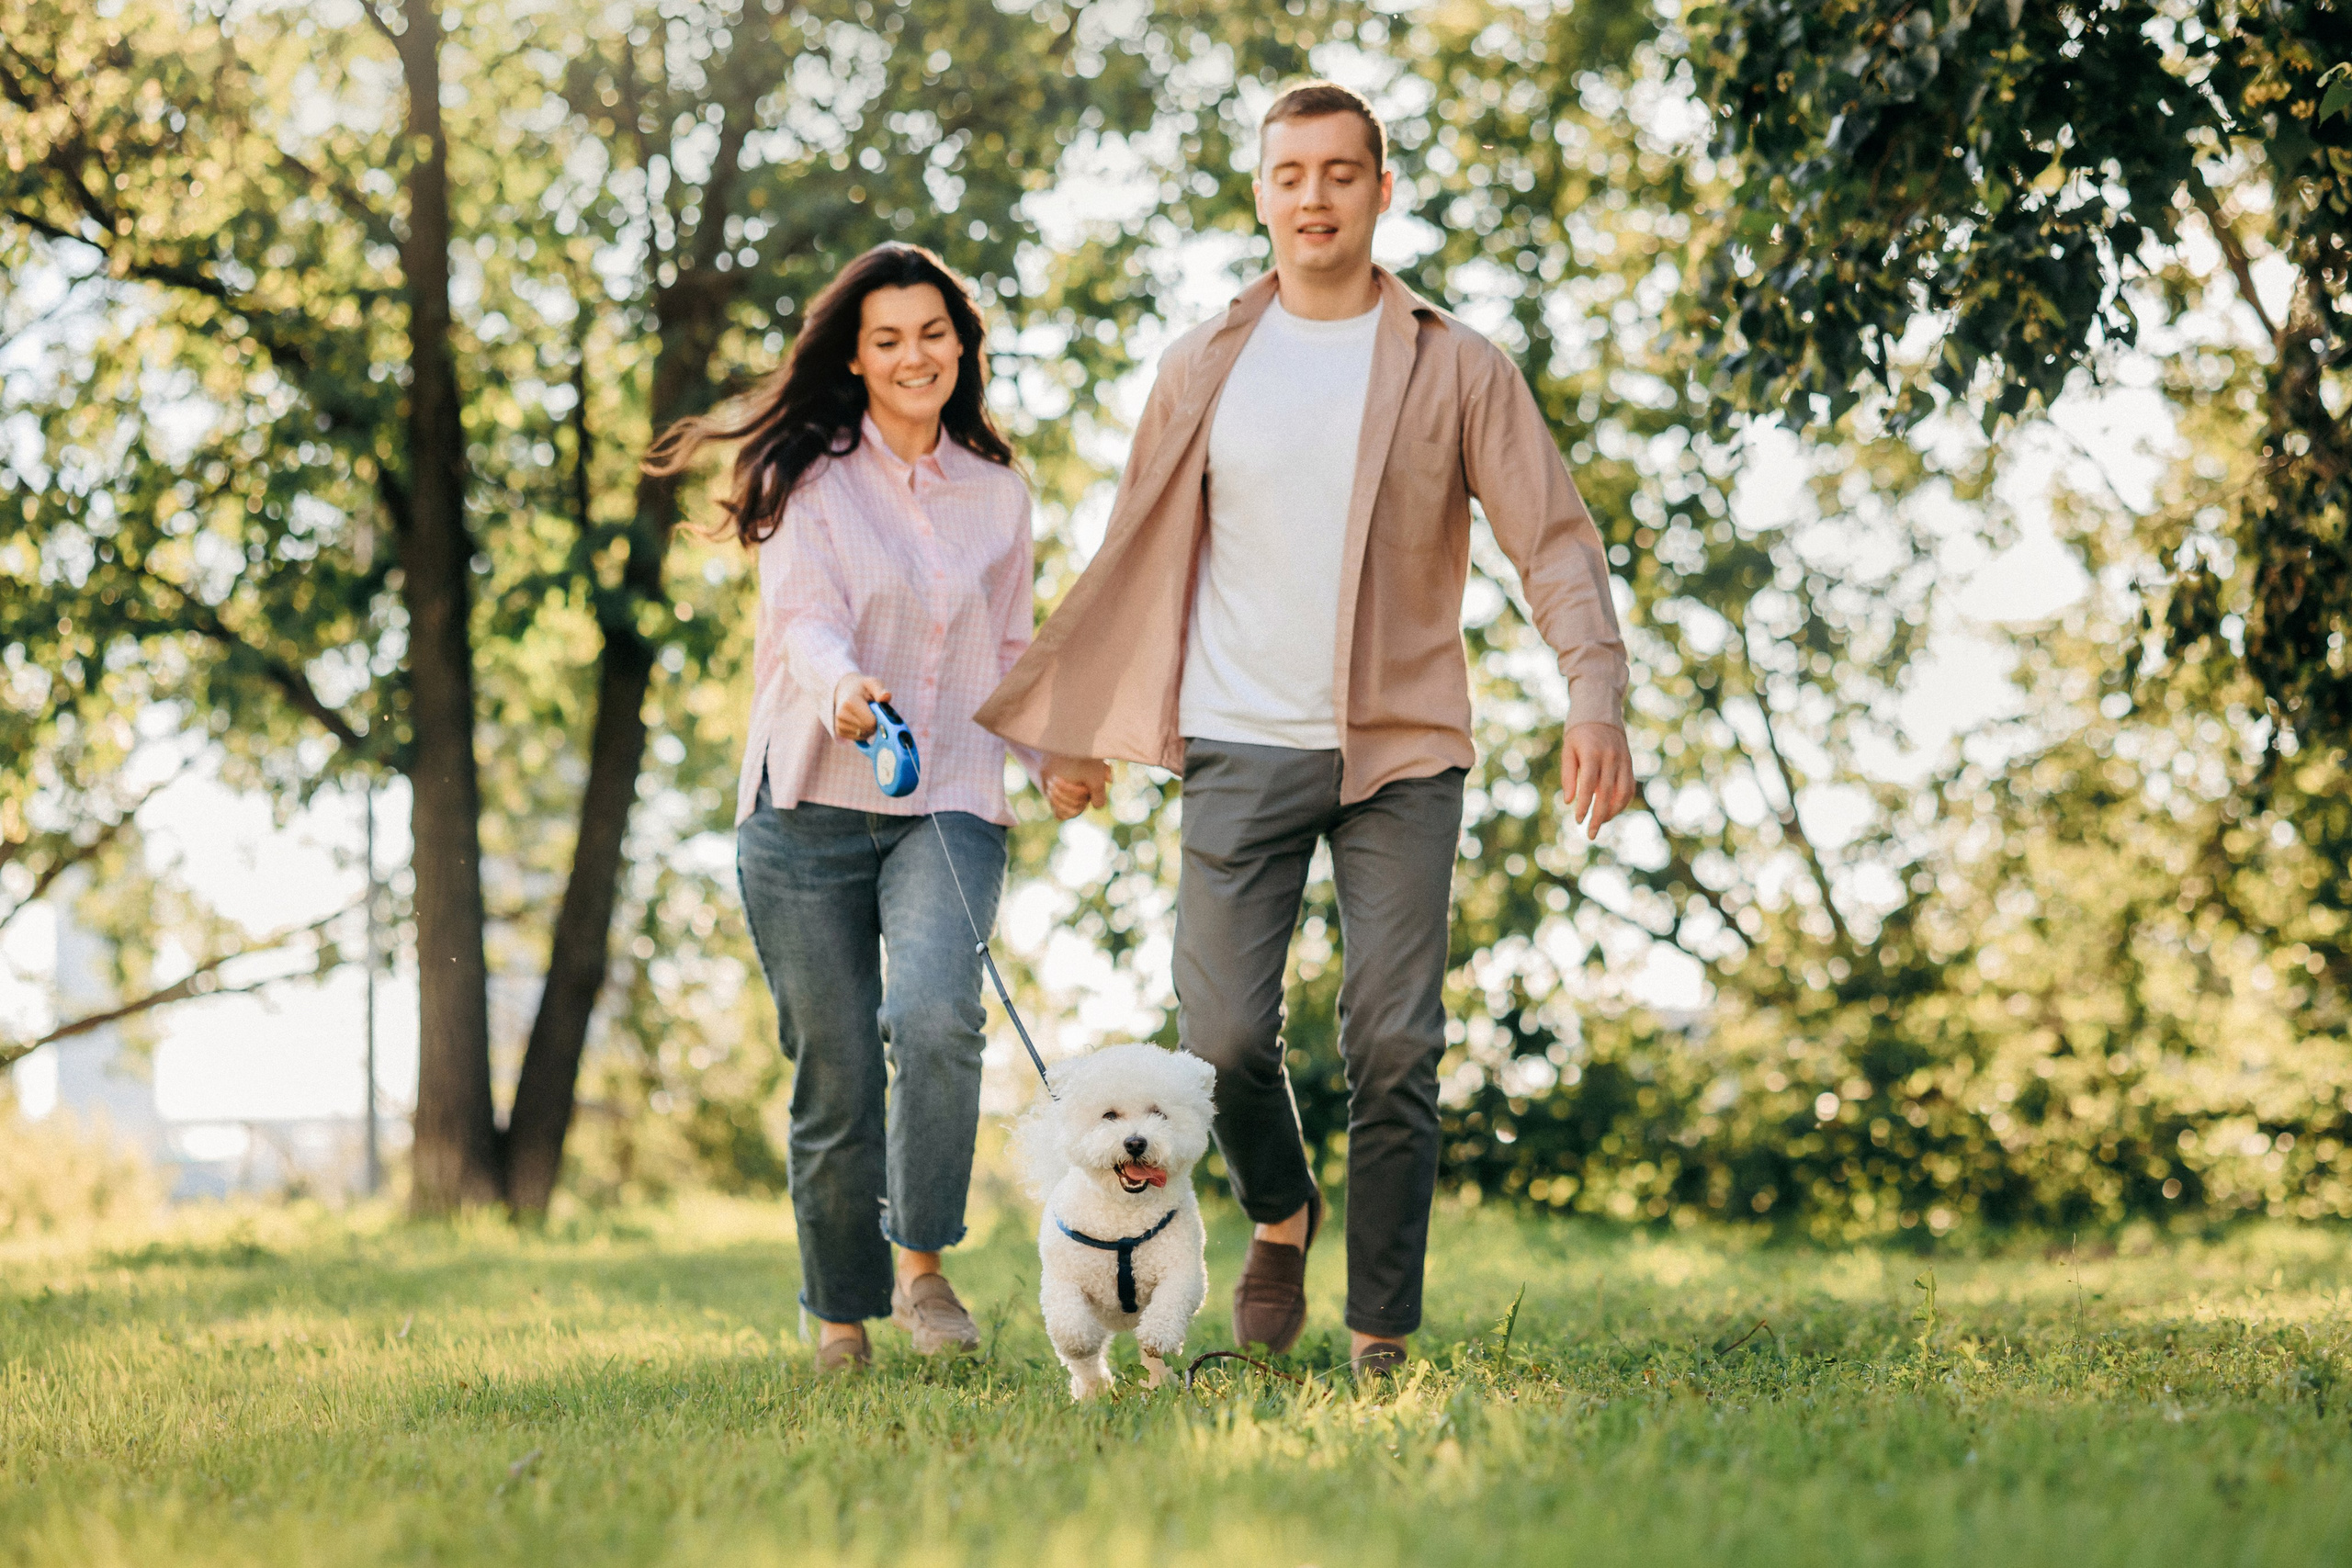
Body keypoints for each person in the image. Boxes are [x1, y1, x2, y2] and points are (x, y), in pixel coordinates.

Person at [977, 83, 1635, 1376]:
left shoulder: (1458, 365)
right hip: (1237, 739)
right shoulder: (1203, 366)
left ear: (1381, 193)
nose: (1316, 196)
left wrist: (1594, 689)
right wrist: (1072, 729)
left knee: (1396, 1042)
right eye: (1292, 174)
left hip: (1404, 749)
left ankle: (1381, 1327)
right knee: (1218, 1040)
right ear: (1263, 193)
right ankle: (1283, 1209)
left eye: (1343, 173)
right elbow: (1133, 557)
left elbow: (1552, 538)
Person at [647, 243, 1099, 1373]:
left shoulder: (998, 494)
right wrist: (840, 687)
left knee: (936, 1017)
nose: (913, 357)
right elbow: (805, 617)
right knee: (837, 1067)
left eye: (932, 335)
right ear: (853, 356)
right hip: (804, 802)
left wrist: (1051, 759)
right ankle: (840, 1319)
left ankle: (922, 1269)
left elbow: (1009, 649)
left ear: (962, 346)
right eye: (888, 339)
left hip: (944, 799)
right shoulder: (813, 478)